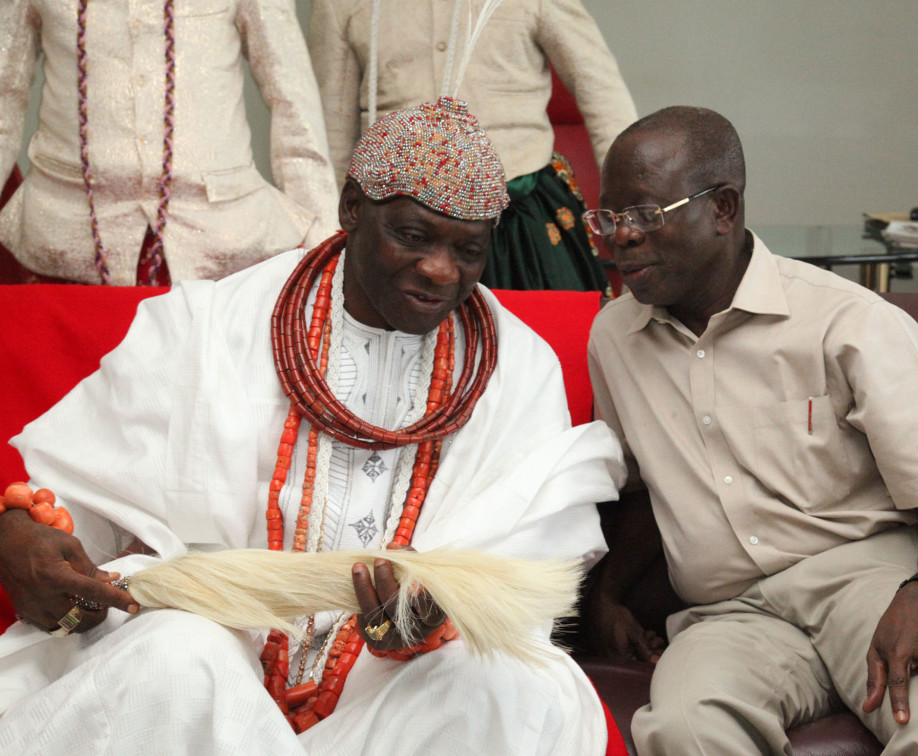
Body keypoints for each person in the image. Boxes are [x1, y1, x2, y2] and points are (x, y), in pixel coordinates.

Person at [0, 97, 625, 754]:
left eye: (468, 249)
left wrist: (439, 619)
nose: (441, 270)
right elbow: (68, 496)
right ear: (352, 206)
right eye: (413, 237)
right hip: (216, 662)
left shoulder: (516, 365)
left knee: (528, 691)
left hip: (390, 693)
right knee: (175, 657)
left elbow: (524, 578)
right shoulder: (211, 327)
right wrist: (20, 535)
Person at [583, 106, 918, 753]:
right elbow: (653, 489)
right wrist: (608, 596)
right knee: (683, 726)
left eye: (645, 214)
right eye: (608, 217)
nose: (618, 237)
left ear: (723, 208)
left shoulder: (846, 321)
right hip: (730, 616)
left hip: (868, 586)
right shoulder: (613, 337)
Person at [307, 0, 636, 293]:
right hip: (395, 220)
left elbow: (601, 91)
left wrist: (633, 205)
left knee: (544, 340)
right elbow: (330, 128)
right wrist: (326, 232)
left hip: (520, 212)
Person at [0, 0, 338, 285]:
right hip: (64, 240)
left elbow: (292, 104)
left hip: (222, 243)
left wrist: (327, 251)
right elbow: (5, 100)